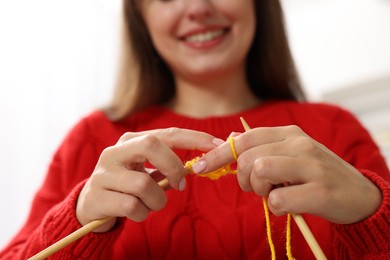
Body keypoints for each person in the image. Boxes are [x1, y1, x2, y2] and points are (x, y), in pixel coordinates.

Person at [1, 0, 389, 259]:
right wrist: (79, 217)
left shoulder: (334, 130)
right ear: (141, 16)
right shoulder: (91, 140)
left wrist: (372, 213)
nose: (199, 7)